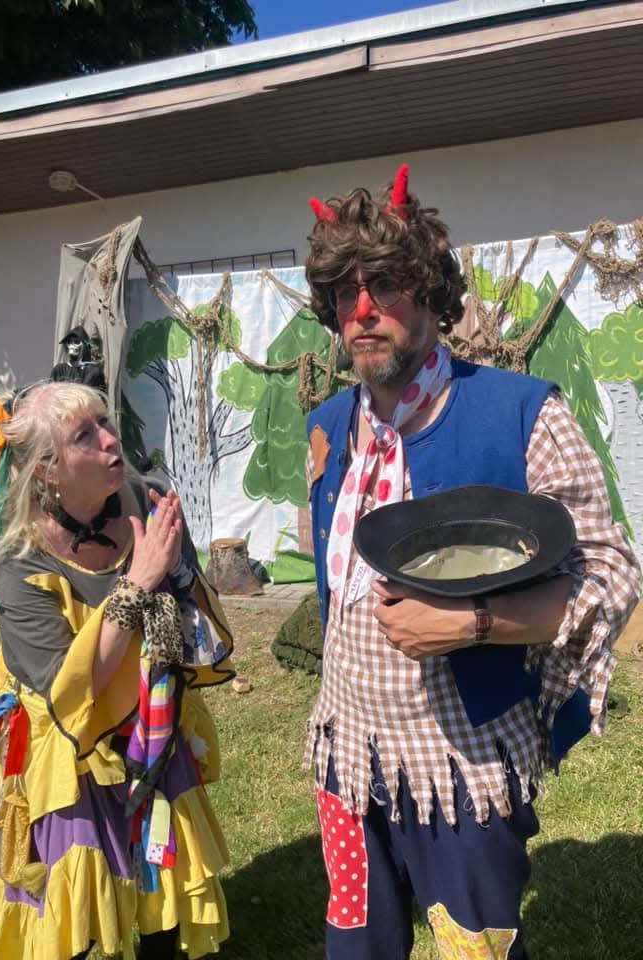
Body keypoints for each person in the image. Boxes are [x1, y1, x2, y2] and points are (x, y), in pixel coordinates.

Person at [303, 165, 640, 960]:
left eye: (385, 285)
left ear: (428, 290)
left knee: (474, 948)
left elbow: (610, 573)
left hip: (461, 761)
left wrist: (474, 621)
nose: (362, 310)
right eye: (344, 293)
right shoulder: (328, 422)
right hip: (345, 755)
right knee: (357, 945)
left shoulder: (519, 412)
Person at [0, 381, 234, 960]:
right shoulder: (18, 561)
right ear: (47, 470)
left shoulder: (149, 500)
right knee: (74, 895)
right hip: (66, 741)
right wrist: (140, 582)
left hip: (151, 714)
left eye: (105, 422)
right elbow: (68, 690)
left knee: (164, 875)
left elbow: (194, 617)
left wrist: (177, 574)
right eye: (85, 435)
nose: (111, 440)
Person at [51, 326, 107, 390]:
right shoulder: (58, 370)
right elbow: (50, 392)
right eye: (69, 342)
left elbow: (85, 392)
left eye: (76, 342)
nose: (72, 346)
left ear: (85, 345)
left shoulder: (93, 371)